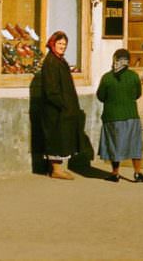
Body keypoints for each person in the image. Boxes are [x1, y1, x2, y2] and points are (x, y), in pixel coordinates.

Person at [96, 48, 143, 183]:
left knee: (115, 145)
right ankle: (137, 172)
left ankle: (115, 173)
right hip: (131, 115)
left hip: (112, 117)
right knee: (134, 144)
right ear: (128, 61)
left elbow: (101, 96)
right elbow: (138, 94)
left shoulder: (107, 78)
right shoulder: (133, 76)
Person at [40, 31, 81, 180]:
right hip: (55, 109)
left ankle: (58, 168)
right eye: (59, 44)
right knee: (55, 138)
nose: (62, 46)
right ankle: (56, 169)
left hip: (62, 109)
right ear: (52, 44)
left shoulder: (59, 60)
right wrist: (63, 105)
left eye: (64, 44)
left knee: (61, 137)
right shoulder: (51, 62)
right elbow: (51, 89)